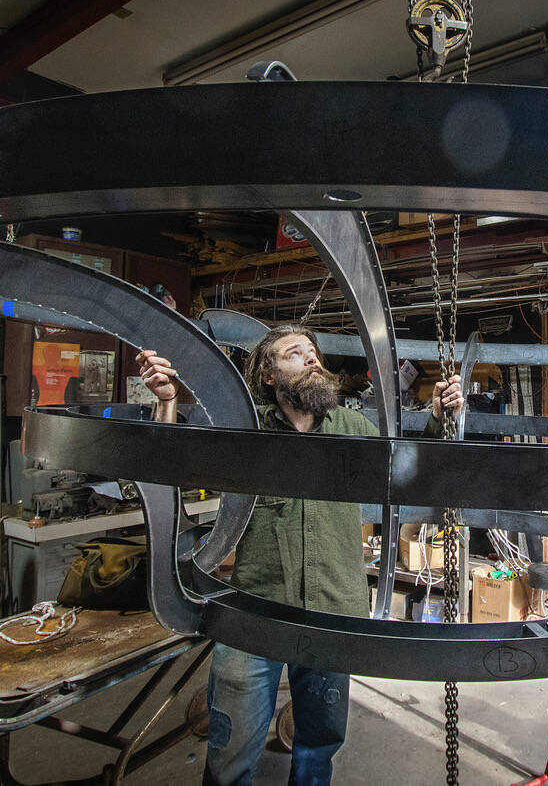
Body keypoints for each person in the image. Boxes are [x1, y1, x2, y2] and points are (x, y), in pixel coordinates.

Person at [136, 324, 462, 786]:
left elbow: (408, 471)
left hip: (333, 613)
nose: (312, 359)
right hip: (254, 615)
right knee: (230, 752)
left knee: (318, 748)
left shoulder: (350, 428)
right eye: (294, 353)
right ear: (269, 376)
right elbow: (168, 463)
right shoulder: (246, 432)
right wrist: (167, 401)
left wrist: (437, 417)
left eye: (313, 352)